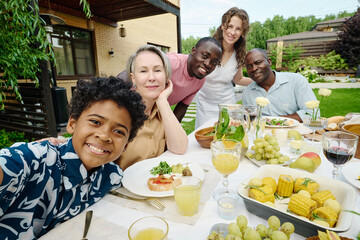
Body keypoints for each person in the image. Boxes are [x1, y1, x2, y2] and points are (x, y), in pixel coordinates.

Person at [0, 77, 147, 238]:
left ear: (125, 146)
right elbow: (10, 165)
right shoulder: (33, 160)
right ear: (72, 123)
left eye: (119, 131)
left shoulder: (111, 177)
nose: (105, 136)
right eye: (95, 122)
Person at [115, 45, 189, 170]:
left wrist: (163, 102)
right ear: (133, 78)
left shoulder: (161, 108)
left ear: (166, 76)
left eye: (157, 70)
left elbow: (180, 148)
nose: (152, 78)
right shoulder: (119, 112)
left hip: (155, 183)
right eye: (143, 71)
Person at [118, 37, 222, 122]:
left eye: (214, 62)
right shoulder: (172, 62)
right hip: (132, 107)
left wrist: (170, 133)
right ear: (193, 51)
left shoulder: (200, 81)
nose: (208, 64)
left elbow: (182, 107)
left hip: (155, 112)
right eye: (204, 56)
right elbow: (123, 77)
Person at [195, 7, 253, 129]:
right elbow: (193, 72)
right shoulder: (209, 48)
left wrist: (261, 80)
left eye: (238, 29)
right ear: (222, 26)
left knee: (229, 141)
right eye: (230, 26)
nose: (232, 32)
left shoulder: (239, 54)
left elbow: (238, 80)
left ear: (242, 32)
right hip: (205, 107)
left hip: (228, 106)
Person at [242, 48, 317, 122]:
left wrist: (276, 121)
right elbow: (249, 121)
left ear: (269, 62)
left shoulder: (296, 81)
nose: (254, 68)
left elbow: (312, 113)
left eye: (258, 62)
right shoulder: (247, 93)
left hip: (296, 132)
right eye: (249, 66)